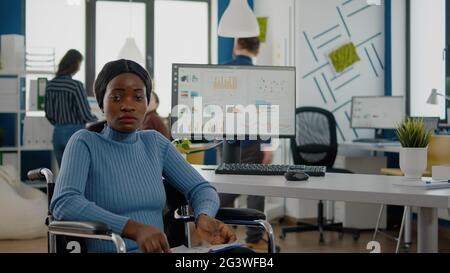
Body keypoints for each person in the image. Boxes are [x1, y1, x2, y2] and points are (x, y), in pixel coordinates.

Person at [50, 59, 236, 253]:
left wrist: (203, 216)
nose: (128, 106)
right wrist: (133, 229)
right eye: (117, 97)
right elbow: (65, 202)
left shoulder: (155, 143)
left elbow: (201, 188)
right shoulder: (84, 142)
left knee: (239, 256)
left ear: (147, 103)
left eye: (138, 97)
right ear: (101, 102)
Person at [220, 37, 274, 251]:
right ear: (257, 49)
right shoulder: (259, 76)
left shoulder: (222, 70)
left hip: (226, 139)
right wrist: (267, 146)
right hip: (252, 140)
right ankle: (253, 236)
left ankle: (214, 218)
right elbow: (265, 111)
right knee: (254, 187)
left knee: (229, 179)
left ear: (236, 45)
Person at [45, 49, 97, 167]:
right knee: (77, 171)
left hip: (57, 132)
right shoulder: (76, 85)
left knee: (63, 173)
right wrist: (97, 120)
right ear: (75, 64)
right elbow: (85, 114)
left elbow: (48, 114)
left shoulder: (50, 85)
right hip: (75, 133)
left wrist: (60, 123)